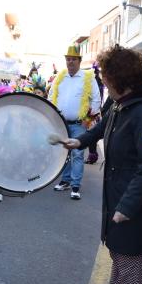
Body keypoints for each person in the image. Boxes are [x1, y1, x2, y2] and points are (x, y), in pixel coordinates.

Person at [62, 45, 142, 284]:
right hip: (118, 189)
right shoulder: (122, 104)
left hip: (134, 197)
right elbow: (101, 129)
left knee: (130, 257)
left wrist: (127, 207)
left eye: (106, 76)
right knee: (118, 252)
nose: (103, 81)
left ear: (120, 78)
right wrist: (78, 142)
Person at [50, 45, 101, 200]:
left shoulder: (88, 77)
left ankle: (75, 185)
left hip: (79, 123)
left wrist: (89, 118)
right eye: (68, 59)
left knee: (77, 153)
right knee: (64, 152)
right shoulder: (60, 77)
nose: (70, 62)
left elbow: (96, 99)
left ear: (79, 61)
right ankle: (65, 180)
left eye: (73, 59)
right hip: (62, 123)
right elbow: (51, 95)